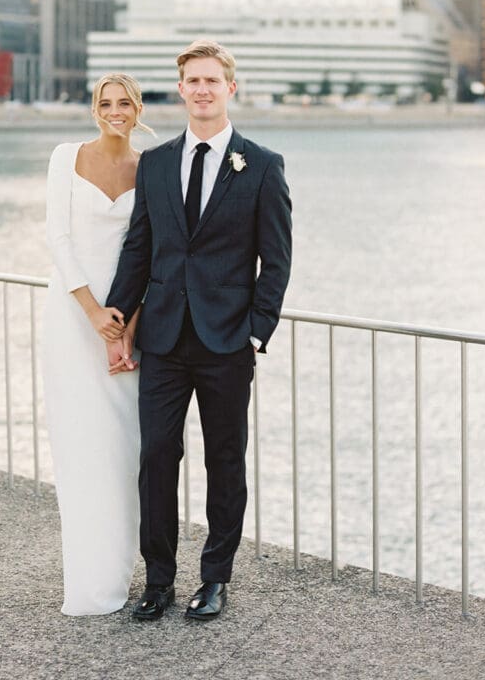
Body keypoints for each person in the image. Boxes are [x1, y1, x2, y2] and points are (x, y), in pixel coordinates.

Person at [104, 39, 292, 621]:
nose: (203, 90)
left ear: (230, 88)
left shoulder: (261, 164)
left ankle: (215, 579)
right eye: (194, 81)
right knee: (157, 457)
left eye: (214, 80)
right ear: (181, 89)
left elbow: (277, 260)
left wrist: (256, 332)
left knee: (225, 461)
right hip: (161, 338)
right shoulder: (155, 163)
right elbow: (141, 246)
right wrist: (117, 318)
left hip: (227, 343)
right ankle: (158, 579)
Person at [42, 73, 151, 615]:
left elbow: (149, 247)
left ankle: (119, 571)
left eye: (124, 102)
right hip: (73, 315)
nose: (115, 110)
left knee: (121, 447)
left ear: (137, 108)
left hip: (127, 322)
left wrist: (126, 320)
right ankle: (86, 581)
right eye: (105, 103)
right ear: (94, 109)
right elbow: (57, 238)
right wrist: (91, 312)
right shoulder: (66, 158)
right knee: (79, 445)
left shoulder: (149, 167)